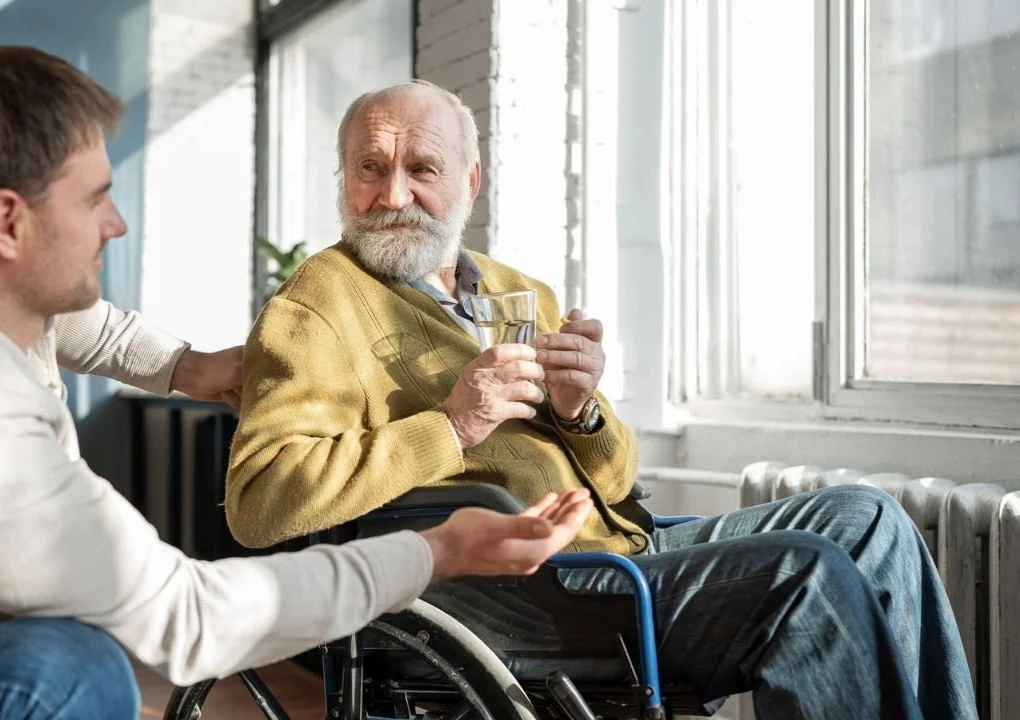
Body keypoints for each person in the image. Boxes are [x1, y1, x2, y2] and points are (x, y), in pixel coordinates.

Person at [0, 47, 597, 720]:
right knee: (70, 673)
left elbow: (85, 325)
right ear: (6, 222)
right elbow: (188, 618)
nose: (116, 222)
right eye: (96, 199)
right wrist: (438, 550)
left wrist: (192, 368)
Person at [224, 79, 978, 719]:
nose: (393, 194)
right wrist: (454, 425)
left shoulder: (517, 288)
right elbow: (259, 504)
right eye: (370, 168)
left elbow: (618, 488)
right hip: (514, 595)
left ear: (470, 182)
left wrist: (581, 410)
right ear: (343, 178)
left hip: (613, 552)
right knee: (806, 572)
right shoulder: (317, 304)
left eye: (422, 167)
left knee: (867, 516)